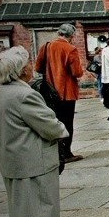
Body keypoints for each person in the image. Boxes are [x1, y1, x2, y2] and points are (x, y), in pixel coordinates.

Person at [0, 46, 69, 217]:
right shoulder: (24, 95)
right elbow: (49, 125)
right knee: (31, 210)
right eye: (27, 62)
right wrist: (61, 130)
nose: (30, 66)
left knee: (23, 208)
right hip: (31, 160)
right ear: (20, 70)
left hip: (13, 158)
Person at [35, 23, 84, 164]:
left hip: (49, 91)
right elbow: (77, 72)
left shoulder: (46, 47)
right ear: (72, 35)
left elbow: (38, 67)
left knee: (53, 121)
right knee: (67, 123)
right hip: (66, 91)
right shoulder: (70, 49)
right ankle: (66, 152)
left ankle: (54, 151)